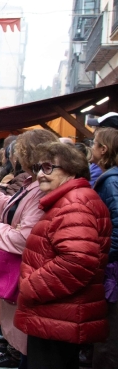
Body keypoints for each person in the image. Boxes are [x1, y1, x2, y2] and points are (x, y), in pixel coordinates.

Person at [15, 142, 111, 369]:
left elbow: (78, 261)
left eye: (48, 168)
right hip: (58, 314)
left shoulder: (74, 203)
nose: (40, 174)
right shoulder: (71, 200)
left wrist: (30, 286)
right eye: (39, 167)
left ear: (71, 169)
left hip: (58, 314)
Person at [0, 129, 58, 368]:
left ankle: (16, 355)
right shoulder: (32, 183)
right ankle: (15, 351)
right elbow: (17, 211)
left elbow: (26, 236)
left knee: (21, 325)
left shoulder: (39, 188)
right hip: (19, 262)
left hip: (24, 264)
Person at [90, 127, 118, 368]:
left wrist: (103, 257)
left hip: (112, 268)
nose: (91, 147)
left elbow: (116, 224)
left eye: (94, 143)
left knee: (109, 332)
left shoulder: (110, 180)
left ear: (104, 149)